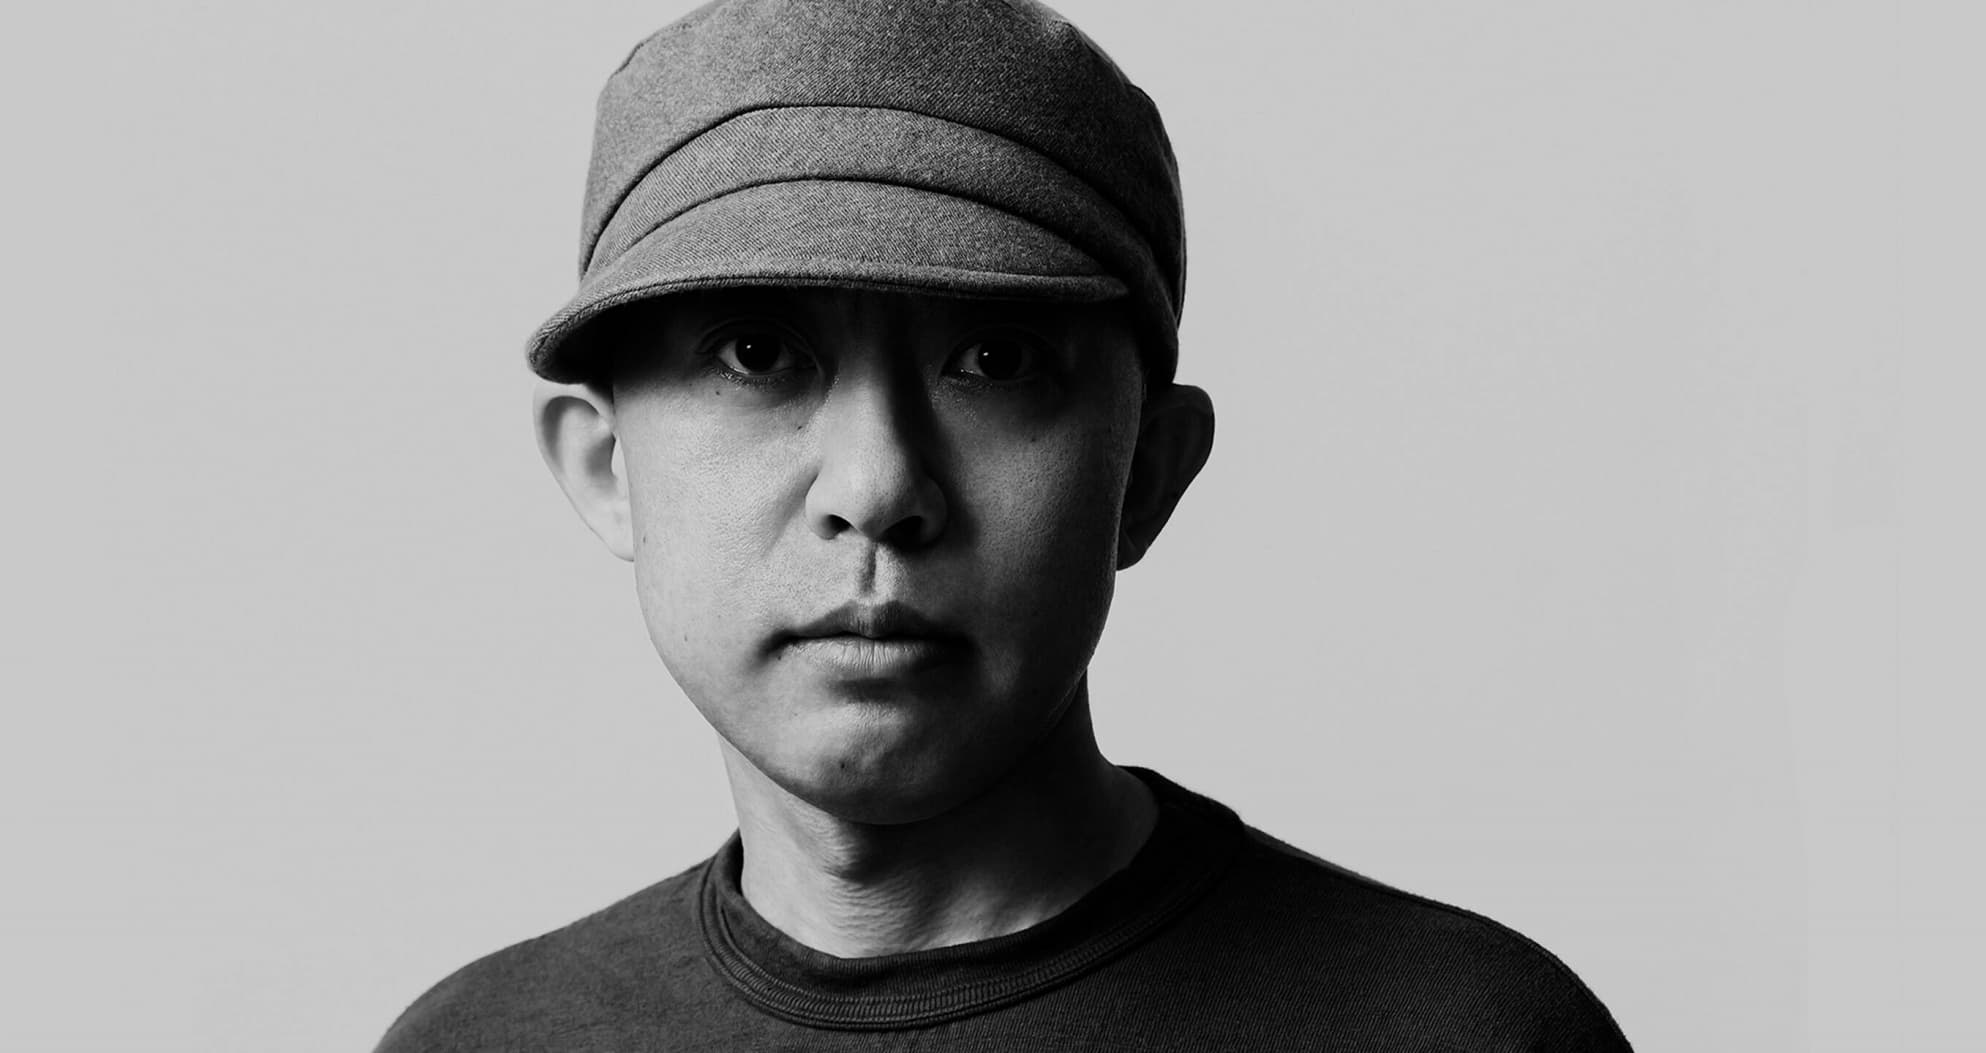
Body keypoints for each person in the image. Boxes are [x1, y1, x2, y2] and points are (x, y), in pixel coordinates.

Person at [374, 1, 1633, 1049]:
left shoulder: (1464, 1032)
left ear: (1145, 473)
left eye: (993, 359)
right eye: (757, 353)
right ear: (604, 468)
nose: (875, 486)